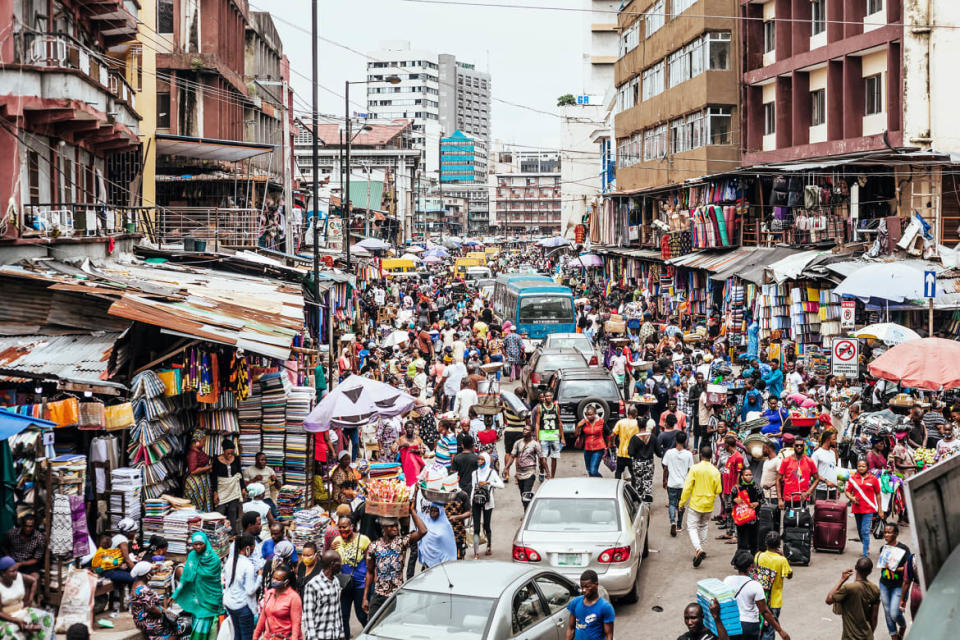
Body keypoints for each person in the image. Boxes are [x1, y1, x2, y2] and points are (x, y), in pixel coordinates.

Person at [362, 499, 428, 618]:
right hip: (378, 595)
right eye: (391, 526)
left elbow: (423, 531)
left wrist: (412, 511)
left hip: (397, 595)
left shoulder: (401, 543)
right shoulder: (374, 546)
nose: (395, 528)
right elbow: (370, 572)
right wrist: (365, 597)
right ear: (384, 527)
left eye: (396, 526)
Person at [724, 550, 791, 640]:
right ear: (751, 566)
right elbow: (764, 611)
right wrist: (780, 631)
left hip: (732, 623)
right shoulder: (755, 585)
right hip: (749, 626)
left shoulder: (727, 580)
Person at [172, 531, 224, 640]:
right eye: (195, 544)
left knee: (203, 628)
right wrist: (175, 594)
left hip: (210, 600)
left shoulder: (214, 560)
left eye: (201, 544)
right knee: (197, 624)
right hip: (196, 600)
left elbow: (215, 582)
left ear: (206, 543)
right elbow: (186, 577)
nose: (198, 546)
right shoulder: (192, 556)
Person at [679, 445, 722, 567]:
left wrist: (681, 503)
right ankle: (701, 548)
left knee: (692, 527)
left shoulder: (695, 468)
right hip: (708, 504)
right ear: (711, 456)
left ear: (701, 455)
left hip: (696, 504)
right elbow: (718, 490)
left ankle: (698, 549)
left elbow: (687, 487)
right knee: (703, 526)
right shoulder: (715, 471)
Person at [331, 516, 371, 637]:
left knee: (362, 615)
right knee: (343, 615)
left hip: (360, 584)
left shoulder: (363, 540)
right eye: (340, 527)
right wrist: (331, 550)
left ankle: (369, 635)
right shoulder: (336, 541)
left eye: (346, 527)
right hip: (345, 584)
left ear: (352, 527)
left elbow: (370, 565)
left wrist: (368, 589)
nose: (343, 530)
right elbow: (332, 562)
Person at [0, 556, 54, 640]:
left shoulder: (19, 576)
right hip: (7, 618)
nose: (15, 573)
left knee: (47, 617)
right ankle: (27, 628)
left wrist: (30, 599)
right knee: (11, 632)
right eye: (12, 571)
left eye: (16, 570)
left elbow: (33, 581)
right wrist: (16, 620)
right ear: (3, 573)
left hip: (22, 611)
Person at [826, 557, 880, 640]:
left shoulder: (848, 588)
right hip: (867, 636)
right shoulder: (875, 589)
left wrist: (842, 579)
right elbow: (874, 617)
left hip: (850, 637)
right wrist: (870, 634)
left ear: (855, 567)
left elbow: (829, 600)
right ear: (870, 571)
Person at [755, 532, 792, 640]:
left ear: (766, 543)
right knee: (770, 627)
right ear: (779, 544)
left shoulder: (758, 556)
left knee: (760, 625)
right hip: (774, 600)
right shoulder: (782, 560)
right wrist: (784, 556)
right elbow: (789, 575)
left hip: (759, 598)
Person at [876, 523, 909, 640]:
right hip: (884, 584)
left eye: (889, 532)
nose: (886, 535)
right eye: (885, 532)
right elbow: (882, 565)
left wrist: (894, 568)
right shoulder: (883, 549)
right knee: (887, 612)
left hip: (898, 585)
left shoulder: (904, 549)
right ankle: (894, 636)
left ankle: (903, 626)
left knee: (894, 613)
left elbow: (907, 568)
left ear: (896, 534)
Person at [844, 458, 883, 558]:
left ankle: (865, 552)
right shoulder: (853, 478)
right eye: (859, 466)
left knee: (865, 530)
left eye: (863, 466)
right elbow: (847, 491)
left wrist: (880, 510)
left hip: (869, 509)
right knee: (860, 530)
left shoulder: (873, 479)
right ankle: (866, 545)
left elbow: (878, 494)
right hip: (857, 509)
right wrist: (851, 497)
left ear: (867, 468)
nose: (861, 468)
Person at [301, 551, 344, 640]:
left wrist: (341, 634)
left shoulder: (336, 581)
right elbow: (308, 616)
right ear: (332, 564)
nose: (341, 565)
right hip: (320, 636)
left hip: (334, 635)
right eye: (339, 562)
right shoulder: (312, 585)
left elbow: (337, 610)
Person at [223, 535, 259, 640]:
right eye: (253, 548)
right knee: (246, 636)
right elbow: (250, 590)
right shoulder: (248, 565)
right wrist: (260, 577)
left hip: (231, 604)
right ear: (247, 548)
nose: (253, 551)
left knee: (237, 635)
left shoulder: (230, 561)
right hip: (243, 606)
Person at [130, 561, 178, 640]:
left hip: (142, 618)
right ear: (146, 574)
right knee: (177, 628)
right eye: (151, 571)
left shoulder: (137, 584)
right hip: (147, 621)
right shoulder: (142, 590)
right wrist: (165, 613)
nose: (153, 572)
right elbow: (153, 609)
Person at [503, 424, 545, 511]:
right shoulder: (518, 443)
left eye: (527, 430)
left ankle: (527, 512)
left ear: (532, 432)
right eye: (524, 429)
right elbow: (512, 456)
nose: (524, 431)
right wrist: (506, 467)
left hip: (530, 472)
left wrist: (545, 471)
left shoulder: (535, 444)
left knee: (526, 494)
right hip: (519, 473)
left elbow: (541, 458)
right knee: (522, 495)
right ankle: (526, 509)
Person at [253, 565, 302, 640]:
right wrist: (255, 635)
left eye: (277, 579)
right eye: (273, 578)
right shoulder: (269, 594)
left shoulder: (294, 598)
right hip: (269, 637)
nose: (274, 581)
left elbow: (296, 624)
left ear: (286, 582)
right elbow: (263, 617)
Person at [470, 452, 504, 559]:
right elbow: (472, 489)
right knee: (476, 528)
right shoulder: (474, 473)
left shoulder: (492, 472)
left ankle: (489, 545)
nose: (479, 461)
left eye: (482, 460)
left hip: (488, 503)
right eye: (478, 459)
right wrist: (471, 505)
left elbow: (501, 485)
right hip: (476, 502)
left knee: (486, 525)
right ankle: (476, 551)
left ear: (486, 461)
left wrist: (488, 483)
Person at [564, 569, 615, 640]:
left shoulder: (605, 607)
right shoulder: (575, 603)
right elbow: (571, 629)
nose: (584, 590)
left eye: (587, 587)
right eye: (582, 587)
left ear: (596, 584)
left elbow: (608, 635)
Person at [662, 431, 694, 537]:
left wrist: (664, 480)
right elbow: (690, 470)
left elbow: (665, 468)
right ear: (685, 441)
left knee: (671, 503)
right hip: (683, 484)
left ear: (675, 440)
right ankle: (679, 525)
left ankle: (672, 522)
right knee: (681, 504)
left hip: (671, 483)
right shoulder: (688, 454)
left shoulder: (669, 453)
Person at [212, 440, 246, 532]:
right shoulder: (217, 460)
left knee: (233, 511)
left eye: (232, 453)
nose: (230, 455)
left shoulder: (236, 459)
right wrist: (215, 493)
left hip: (233, 487)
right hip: (222, 487)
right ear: (223, 451)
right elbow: (214, 477)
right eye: (228, 453)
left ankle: (233, 533)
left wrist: (243, 488)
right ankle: (218, 532)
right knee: (220, 510)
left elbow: (240, 473)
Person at [777, 436, 818, 510]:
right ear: (793, 446)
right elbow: (778, 480)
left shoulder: (809, 461)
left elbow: (817, 478)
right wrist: (779, 499)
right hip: (789, 499)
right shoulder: (786, 461)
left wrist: (808, 492)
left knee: (802, 520)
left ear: (804, 447)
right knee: (790, 519)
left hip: (803, 498)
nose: (799, 447)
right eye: (797, 445)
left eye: (801, 445)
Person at [417, 499, 458, 570]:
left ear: (440, 512)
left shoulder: (445, 526)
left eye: (435, 511)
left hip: (441, 563)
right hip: (427, 562)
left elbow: (449, 547)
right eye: (431, 510)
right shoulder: (426, 522)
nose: (432, 513)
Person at [533, 390, 564, 480]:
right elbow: (537, 423)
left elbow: (559, 422)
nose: (548, 398)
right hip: (544, 435)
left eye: (550, 396)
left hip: (554, 435)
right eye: (546, 396)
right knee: (543, 456)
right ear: (544, 397)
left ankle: (552, 477)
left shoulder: (556, 407)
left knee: (554, 457)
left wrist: (562, 437)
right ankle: (547, 472)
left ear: (552, 397)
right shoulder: (540, 408)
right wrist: (537, 437)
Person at [627, 416, 658, 501]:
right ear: (646, 425)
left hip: (638, 463)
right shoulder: (652, 437)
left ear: (638, 425)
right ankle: (647, 506)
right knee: (647, 484)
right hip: (649, 463)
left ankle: (640, 503)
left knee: (638, 483)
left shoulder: (634, 438)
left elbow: (630, 453)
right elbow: (658, 452)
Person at [102, 518, 139, 586]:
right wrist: (138, 573)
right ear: (128, 532)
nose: (135, 534)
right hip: (108, 571)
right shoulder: (122, 541)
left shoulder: (118, 537)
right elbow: (128, 560)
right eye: (134, 531)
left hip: (111, 568)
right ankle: (133, 595)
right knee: (136, 578)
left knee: (136, 565)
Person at [733, 468, 762, 554]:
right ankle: (741, 561)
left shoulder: (756, 487)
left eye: (750, 475)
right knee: (742, 542)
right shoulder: (737, 488)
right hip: (741, 520)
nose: (749, 477)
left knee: (754, 542)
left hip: (754, 519)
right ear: (742, 476)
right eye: (746, 475)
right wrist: (735, 500)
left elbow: (763, 500)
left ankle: (753, 561)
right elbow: (729, 503)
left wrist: (757, 503)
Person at [575, 405, 607, 478]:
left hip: (599, 449)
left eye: (591, 414)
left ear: (595, 413)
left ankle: (602, 481)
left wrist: (608, 447)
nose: (589, 416)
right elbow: (577, 435)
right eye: (587, 415)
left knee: (593, 471)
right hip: (587, 449)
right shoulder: (584, 423)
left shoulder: (601, 422)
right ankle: (593, 486)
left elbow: (608, 434)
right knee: (589, 471)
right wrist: (578, 426)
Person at [184, 436, 214, 513]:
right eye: (203, 441)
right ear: (196, 441)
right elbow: (193, 470)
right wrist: (210, 467)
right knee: (197, 506)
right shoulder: (193, 454)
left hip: (202, 483)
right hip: (196, 483)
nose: (204, 443)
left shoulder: (198, 451)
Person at [612, 406, 640, 482]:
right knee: (633, 473)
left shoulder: (620, 422)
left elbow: (613, 434)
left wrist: (612, 443)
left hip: (621, 453)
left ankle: (616, 486)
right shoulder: (638, 423)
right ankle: (634, 490)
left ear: (627, 413)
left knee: (618, 472)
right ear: (636, 414)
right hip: (633, 454)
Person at [810, 431, 839, 502]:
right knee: (821, 512)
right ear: (827, 440)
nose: (836, 441)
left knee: (834, 512)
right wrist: (825, 481)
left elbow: (833, 470)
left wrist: (837, 488)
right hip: (821, 490)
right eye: (834, 439)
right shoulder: (817, 454)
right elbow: (813, 472)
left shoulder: (832, 453)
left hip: (833, 489)